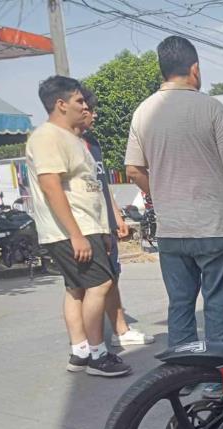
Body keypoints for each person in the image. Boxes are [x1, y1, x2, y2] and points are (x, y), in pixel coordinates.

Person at [125, 36, 223, 348]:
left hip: (171, 231)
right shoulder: (211, 108)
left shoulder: (143, 112)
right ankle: (217, 379)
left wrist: (161, 197)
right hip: (214, 227)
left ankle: (183, 375)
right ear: (195, 69)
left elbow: (133, 170)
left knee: (181, 304)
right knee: (221, 304)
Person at [26, 76, 131, 377]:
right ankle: (98, 355)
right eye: (79, 101)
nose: (85, 106)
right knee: (100, 285)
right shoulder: (47, 137)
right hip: (73, 230)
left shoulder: (72, 138)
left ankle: (81, 352)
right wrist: (76, 235)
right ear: (60, 104)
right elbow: (51, 186)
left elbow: (90, 189)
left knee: (76, 289)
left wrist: (104, 231)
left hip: (88, 227)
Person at [79, 88, 154, 347]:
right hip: (86, 226)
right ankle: (87, 344)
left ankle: (120, 330)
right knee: (90, 285)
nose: (95, 114)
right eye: (89, 108)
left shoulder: (93, 144)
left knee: (112, 276)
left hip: (105, 223)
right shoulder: (68, 146)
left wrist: (117, 215)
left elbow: (101, 184)